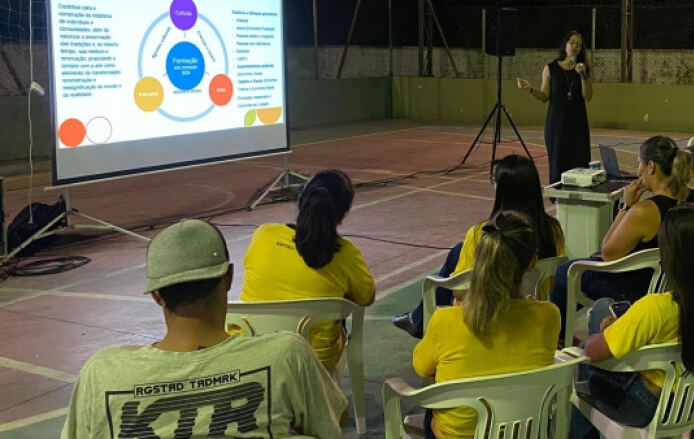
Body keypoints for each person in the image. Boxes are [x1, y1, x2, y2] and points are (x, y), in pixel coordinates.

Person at [62, 220, 348, 439]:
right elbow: (334, 422)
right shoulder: (287, 355)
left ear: (157, 295)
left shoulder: (101, 374)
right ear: (228, 278)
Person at [569, 204, 694, 439]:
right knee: (603, 310)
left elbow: (593, 352)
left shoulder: (656, 308)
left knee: (579, 358)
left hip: (645, 404)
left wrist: (610, 332)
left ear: (669, 254)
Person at [413, 211, 559, 439]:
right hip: (523, 431)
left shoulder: (445, 320)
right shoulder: (549, 316)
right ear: (531, 263)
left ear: (479, 259)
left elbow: (422, 368)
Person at [550, 136, 694, 339]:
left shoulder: (645, 211)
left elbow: (608, 252)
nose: (638, 171)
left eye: (639, 164)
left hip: (636, 286)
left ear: (650, 167)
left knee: (564, 273)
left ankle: (560, 338)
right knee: (584, 268)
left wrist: (627, 206)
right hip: (674, 283)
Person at [393, 155, 564, 338]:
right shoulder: (553, 230)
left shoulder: (481, 233)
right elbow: (552, 283)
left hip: (481, 319)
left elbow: (460, 291)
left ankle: (418, 321)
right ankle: (417, 320)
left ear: (503, 189)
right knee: (458, 250)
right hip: (530, 311)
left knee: (458, 253)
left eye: (494, 180)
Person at [241, 169, 375, 370]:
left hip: (253, 347)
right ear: (344, 213)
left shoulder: (263, 235)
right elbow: (366, 297)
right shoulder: (346, 254)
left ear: (301, 201)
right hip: (314, 360)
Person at [518, 30, 593, 184]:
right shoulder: (550, 68)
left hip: (577, 123)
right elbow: (545, 96)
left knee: (579, 160)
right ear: (565, 45)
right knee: (558, 160)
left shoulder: (583, 69)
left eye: (579, 45)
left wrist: (583, 76)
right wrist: (530, 89)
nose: (575, 46)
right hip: (557, 123)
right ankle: (558, 195)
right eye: (572, 42)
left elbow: (588, 96)